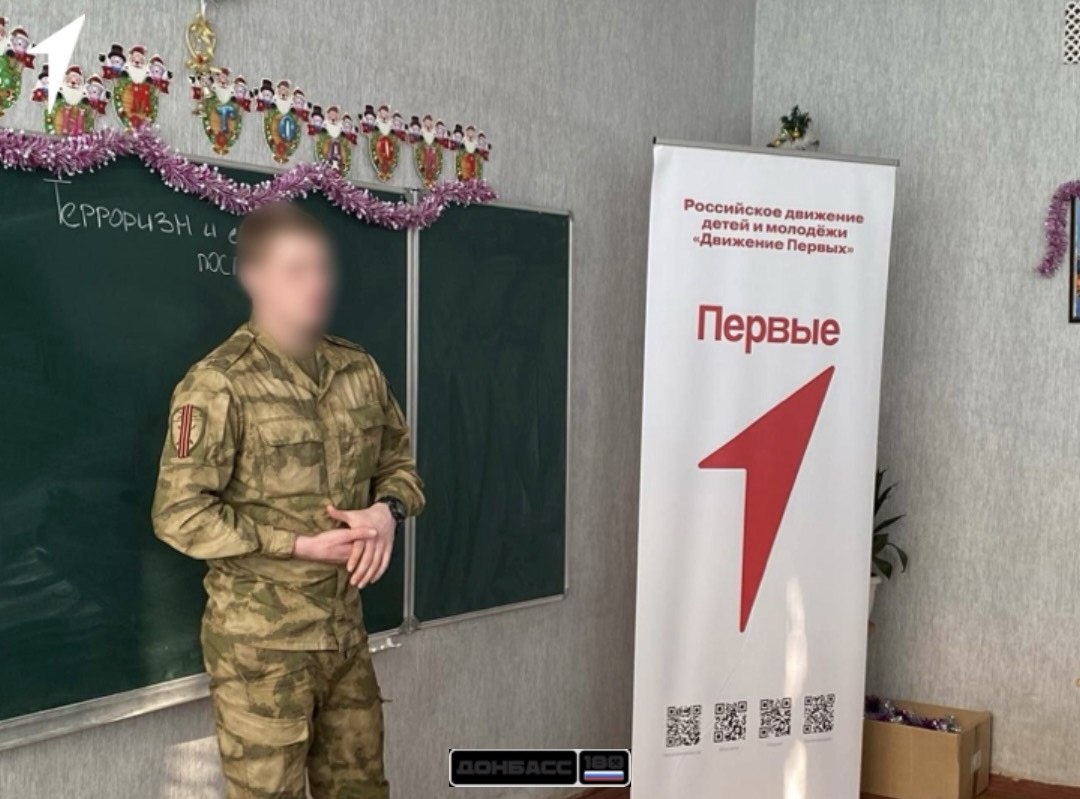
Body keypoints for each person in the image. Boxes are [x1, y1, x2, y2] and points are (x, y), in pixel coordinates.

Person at [152, 202, 424, 799]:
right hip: (262, 651)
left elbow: (400, 467)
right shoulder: (218, 383)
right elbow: (179, 513)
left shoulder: (358, 369)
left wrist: (387, 512)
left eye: (321, 268)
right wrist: (298, 545)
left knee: (362, 791)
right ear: (254, 276)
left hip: (344, 637)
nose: (316, 284)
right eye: (295, 270)